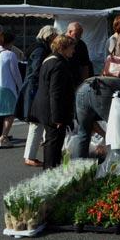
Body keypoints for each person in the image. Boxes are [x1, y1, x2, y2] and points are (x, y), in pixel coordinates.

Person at [70, 76, 120, 172]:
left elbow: (90, 124)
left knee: (83, 133)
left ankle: (78, 173)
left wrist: (105, 135)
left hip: (82, 90)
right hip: (102, 90)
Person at [29, 35, 76, 169]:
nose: (73, 51)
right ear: (63, 48)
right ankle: (50, 170)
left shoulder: (49, 59)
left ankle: (51, 168)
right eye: (72, 48)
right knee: (54, 142)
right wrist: (57, 118)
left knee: (51, 141)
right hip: (52, 110)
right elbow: (55, 93)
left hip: (44, 107)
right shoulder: (59, 64)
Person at [17, 26, 59, 166]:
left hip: (32, 89)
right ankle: (30, 156)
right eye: (55, 36)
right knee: (36, 123)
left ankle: (35, 154)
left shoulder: (38, 47)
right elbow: (36, 72)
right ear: (49, 36)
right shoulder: (41, 50)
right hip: (34, 90)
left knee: (38, 123)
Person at [66, 22, 93, 87]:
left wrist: (85, 83)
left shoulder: (81, 44)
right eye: (78, 34)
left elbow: (85, 65)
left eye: (81, 34)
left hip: (76, 80)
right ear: (70, 32)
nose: (80, 36)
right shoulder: (60, 43)